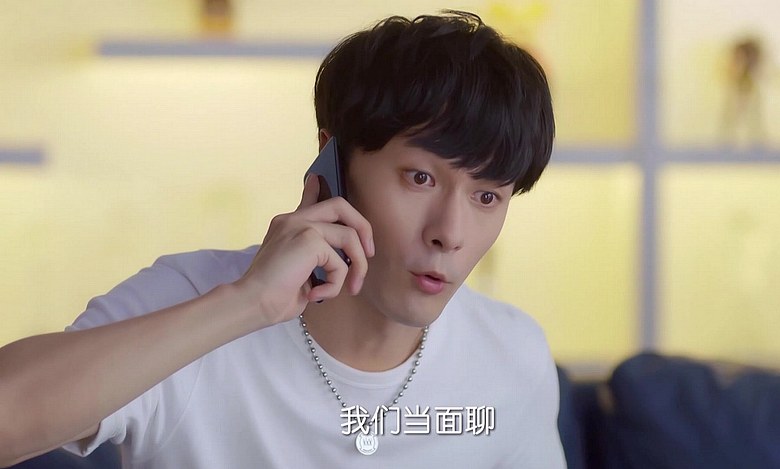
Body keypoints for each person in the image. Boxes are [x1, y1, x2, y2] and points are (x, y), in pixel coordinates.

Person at [0, 11, 565, 468]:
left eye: (486, 197)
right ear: (332, 160)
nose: (450, 234)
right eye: (420, 178)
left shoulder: (510, 353)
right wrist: (247, 305)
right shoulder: (191, 300)